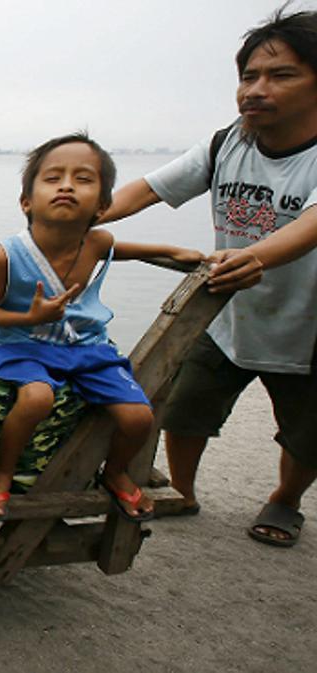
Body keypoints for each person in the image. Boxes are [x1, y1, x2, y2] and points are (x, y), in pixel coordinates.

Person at [100, 9, 317, 547]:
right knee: (186, 408)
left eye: (281, 75)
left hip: (305, 325)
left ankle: (285, 500)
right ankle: (185, 491)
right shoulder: (229, 143)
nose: (256, 90)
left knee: (307, 432)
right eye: (248, 77)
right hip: (224, 310)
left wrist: (258, 256)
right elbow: (148, 188)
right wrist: (86, 214)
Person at [0, 133, 205, 521]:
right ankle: (2, 473)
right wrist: (31, 318)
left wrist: (172, 251)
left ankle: (114, 473)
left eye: (82, 179)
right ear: (26, 201)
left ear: (102, 205)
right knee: (36, 400)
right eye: (53, 178)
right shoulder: (7, 255)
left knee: (138, 417)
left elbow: (124, 250)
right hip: (21, 342)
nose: (66, 185)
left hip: (83, 346)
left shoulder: (96, 243)